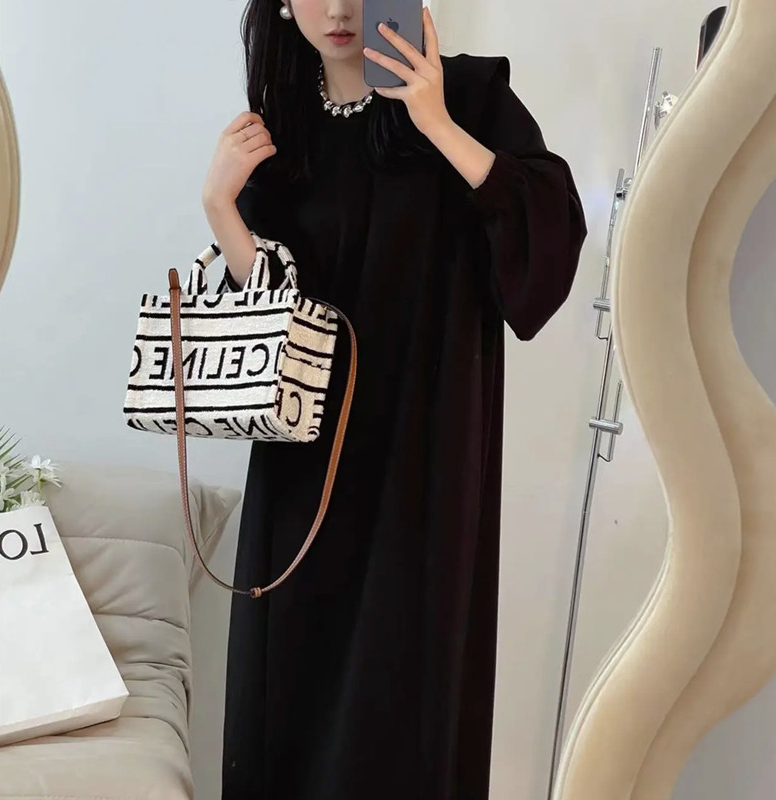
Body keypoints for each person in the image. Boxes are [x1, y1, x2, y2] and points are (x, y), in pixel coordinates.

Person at [202, 1, 587, 798]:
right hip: (305, 478)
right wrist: (220, 210)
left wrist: (436, 122)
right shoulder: (278, 128)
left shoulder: (468, 94)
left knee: (403, 708)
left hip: (425, 467)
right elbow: (273, 323)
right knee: (292, 704)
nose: (341, 9)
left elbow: (548, 250)